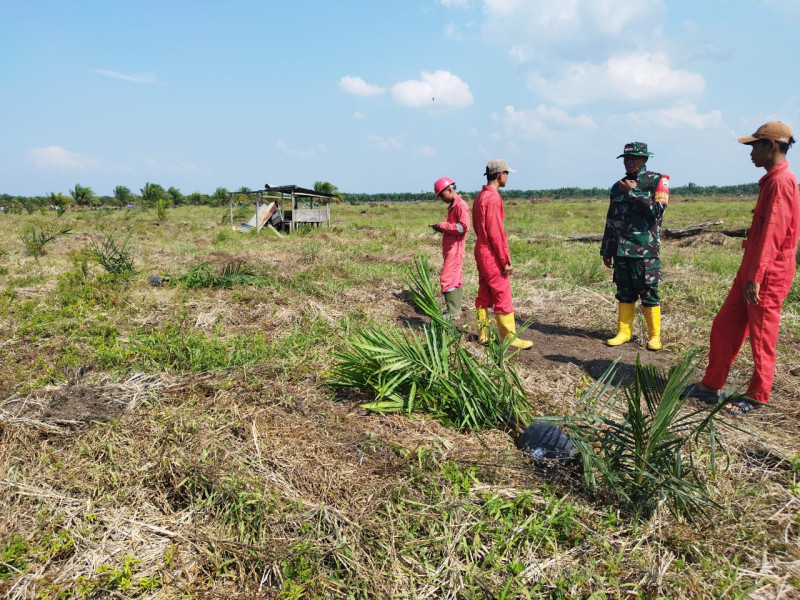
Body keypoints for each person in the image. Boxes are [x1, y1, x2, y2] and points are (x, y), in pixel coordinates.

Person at [683, 122, 799, 414]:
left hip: (767, 273)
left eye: (754, 145)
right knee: (726, 325)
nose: (750, 152)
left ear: (771, 146)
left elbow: (773, 233)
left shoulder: (781, 181)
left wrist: (757, 277)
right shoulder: (772, 180)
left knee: (762, 335)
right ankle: (711, 384)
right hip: (753, 269)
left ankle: (757, 396)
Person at [601, 142, 669, 350]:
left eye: (634, 158)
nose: (629, 162)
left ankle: (654, 336)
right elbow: (612, 219)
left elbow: (658, 211)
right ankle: (624, 332)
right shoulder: (617, 186)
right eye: (626, 159)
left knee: (649, 291)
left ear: (645, 159)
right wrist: (607, 248)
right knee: (624, 291)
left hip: (645, 250)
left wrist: (634, 192)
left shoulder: (658, 181)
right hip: (622, 250)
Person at [472, 158, 533, 349]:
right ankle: (510, 338)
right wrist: (505, 260)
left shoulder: (480, 196)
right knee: (502, 293)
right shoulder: (493, 198)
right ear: (500, 175)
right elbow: (496, 233)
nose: (507, 177)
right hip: (491, 252)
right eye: (507, 174)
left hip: (481, 250)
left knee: (484, 293)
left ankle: (483, 335)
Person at [430, 177, 470, 322]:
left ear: (450, 190)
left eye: (442, 195)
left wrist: (443, 225)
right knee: (455, 278)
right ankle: (456, 311)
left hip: (455, 249)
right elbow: (455, 227)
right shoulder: (454, 206)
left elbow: (463, 227)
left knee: (447, 279)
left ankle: (452, 312)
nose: (442, 199)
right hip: (452, 248)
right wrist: (441, 228)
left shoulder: (460, 206)